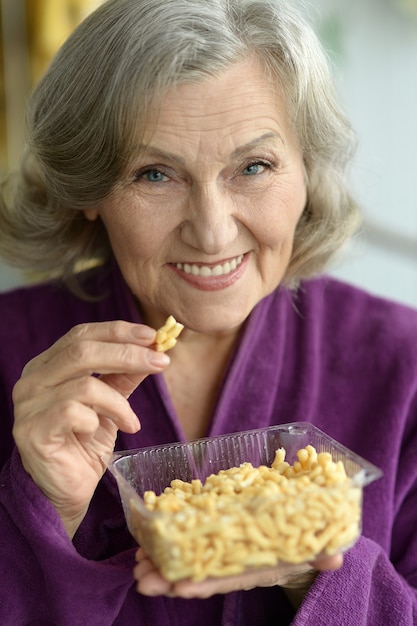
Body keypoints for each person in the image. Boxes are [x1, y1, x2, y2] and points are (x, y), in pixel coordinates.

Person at [0, 0, 416, 624]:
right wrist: (44, 510)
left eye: (254, 166)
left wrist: (315, 563)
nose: (214, 234)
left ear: (307, 170)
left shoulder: (402, 363)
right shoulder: (9, 351)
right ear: (88, 189)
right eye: (155, 175)